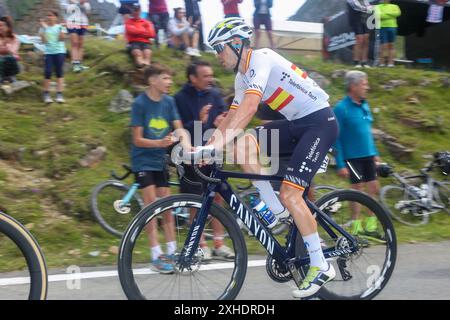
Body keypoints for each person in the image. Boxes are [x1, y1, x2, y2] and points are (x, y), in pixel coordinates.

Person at [204, 18, 338, 298]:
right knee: (242, 145)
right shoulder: (241, 77)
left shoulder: (261, 59)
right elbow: (231, 118)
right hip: (295, 126)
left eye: (219, 48)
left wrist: (215, 146)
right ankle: (274, 208)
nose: (217, 55)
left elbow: (250, 107)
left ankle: (320, 264)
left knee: (292, 194)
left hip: (319, 123)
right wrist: (206, 147)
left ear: (237, 43)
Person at [130, 63, 190, 273]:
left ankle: (173, 252)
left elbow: (179, 128)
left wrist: (189, 148)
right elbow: (137, 139)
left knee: (167, 206)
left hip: (161, 160)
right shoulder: (139, 103)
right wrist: (160, 144)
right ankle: (156, 255)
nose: (169, 82)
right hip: (143, 161)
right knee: (151, 207)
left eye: (170, 78)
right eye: (165, 78)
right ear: (152, 80)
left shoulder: (169, 101)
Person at [174, 61, 233, 260]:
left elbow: (223, 118)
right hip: (189, 156)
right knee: (195, 201)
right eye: (205, 76)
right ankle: (199, 244)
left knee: (217, 198)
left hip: (212, 151)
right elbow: (178, 130)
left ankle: (219, 243)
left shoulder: (214, 94)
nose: (210, 79)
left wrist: (221, 120)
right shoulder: (179, 98)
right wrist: (199, 120)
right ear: (193, 78)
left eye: (211, 75)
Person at [333, 71, 381, 237]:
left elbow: (367, 132)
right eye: (364, 84)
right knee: (357, 190)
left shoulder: (365, 105)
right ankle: (355, 228)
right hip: (352, 158)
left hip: (368, 156)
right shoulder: (341, 108)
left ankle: (371, 226)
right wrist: (339, 163)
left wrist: (375, 153)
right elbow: (335, 138)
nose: (367, 87)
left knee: (374, 188)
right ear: (353, 86)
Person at [39, 10, 67, 104]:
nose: (49, 17)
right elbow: (44, 41)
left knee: (59, 72)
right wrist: (44, 29)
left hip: (59, 51)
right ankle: (46, 94)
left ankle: (59, 94)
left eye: (51, 15)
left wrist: (61, 29)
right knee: (48, 72)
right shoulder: (43, 28)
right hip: (48, 53)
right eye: (47, 15)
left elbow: (61, 39)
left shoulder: (60, 27)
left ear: (56, 17)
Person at [125, 3, 156, 68]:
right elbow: (131, 31)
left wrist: (137, 31)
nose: (136, 12)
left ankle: (146, 66)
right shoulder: (128, 22)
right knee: (137, 53)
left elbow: (152, 34)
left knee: (147, 53)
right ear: (132, 11)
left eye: (138, 10)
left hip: (145, 42)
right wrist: (144, 31)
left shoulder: (147, 22)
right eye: (135, 10)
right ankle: (141, 66)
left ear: (140, 10)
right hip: (134, 42)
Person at [65, 0, 90, 73]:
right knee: (75, 43)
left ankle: (80, 64)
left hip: (83, 23)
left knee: (81, 44)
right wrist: (78, 3)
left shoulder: (87, 4)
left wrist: (83, 4)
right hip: (72, 23)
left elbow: (87, 12)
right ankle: (75, 64)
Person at [347, 0, 373, 68]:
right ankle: (356, 62)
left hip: (364, 20)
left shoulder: (365, 1)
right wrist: (367, 8)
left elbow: (370, 9)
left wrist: (369, 8)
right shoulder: (351, 1)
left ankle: (364, 62)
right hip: (356, 21)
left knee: (366, 40)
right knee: (360, 40)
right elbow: (357, 7)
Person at [375, 0, 401, 67]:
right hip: (382, 27)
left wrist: (385, 13)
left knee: (391, 45)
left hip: (393, 27)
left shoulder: (395, 6)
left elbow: (398, 13)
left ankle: (391, 63)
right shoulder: (377, 6)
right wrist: (391, 14)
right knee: (383, 46)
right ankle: (382, 63)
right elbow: (379, 16)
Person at [0, 16, 20, 84]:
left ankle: (11, 78)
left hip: (11, 65)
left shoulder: (14, 38)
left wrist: (4, 46)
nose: (0, 28)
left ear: (8, 27)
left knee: (9, 58)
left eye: (2, 25)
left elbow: (12, 51)